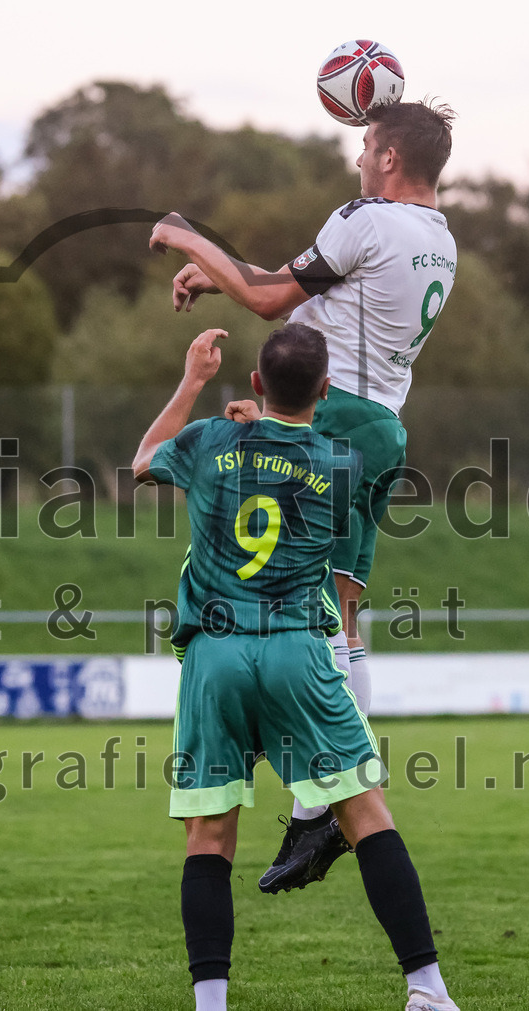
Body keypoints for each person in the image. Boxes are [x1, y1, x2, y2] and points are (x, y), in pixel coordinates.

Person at [149, 99, 457, 892]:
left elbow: (270, 302)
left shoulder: (366, 217)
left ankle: (323, 797)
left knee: (296, 601)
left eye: (366, 145)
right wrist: (221, 272)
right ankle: (327, 804)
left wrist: (185, 235)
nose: (359, 157)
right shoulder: (438, 237)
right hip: (384, 424)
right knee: (344, 608)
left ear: (389, 158)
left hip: (335, 418)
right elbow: (306, 290)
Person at [132, 324, 459, 1011]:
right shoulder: (341, 463)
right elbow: (298, 473)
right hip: (297, 649)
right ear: (325, 389)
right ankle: (427, 989)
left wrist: (194, 381)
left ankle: (211, 1004)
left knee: (210, 833)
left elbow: (142, 460)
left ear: (253, 383)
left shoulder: (212, 442)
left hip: (216, 652)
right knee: (366, 813)